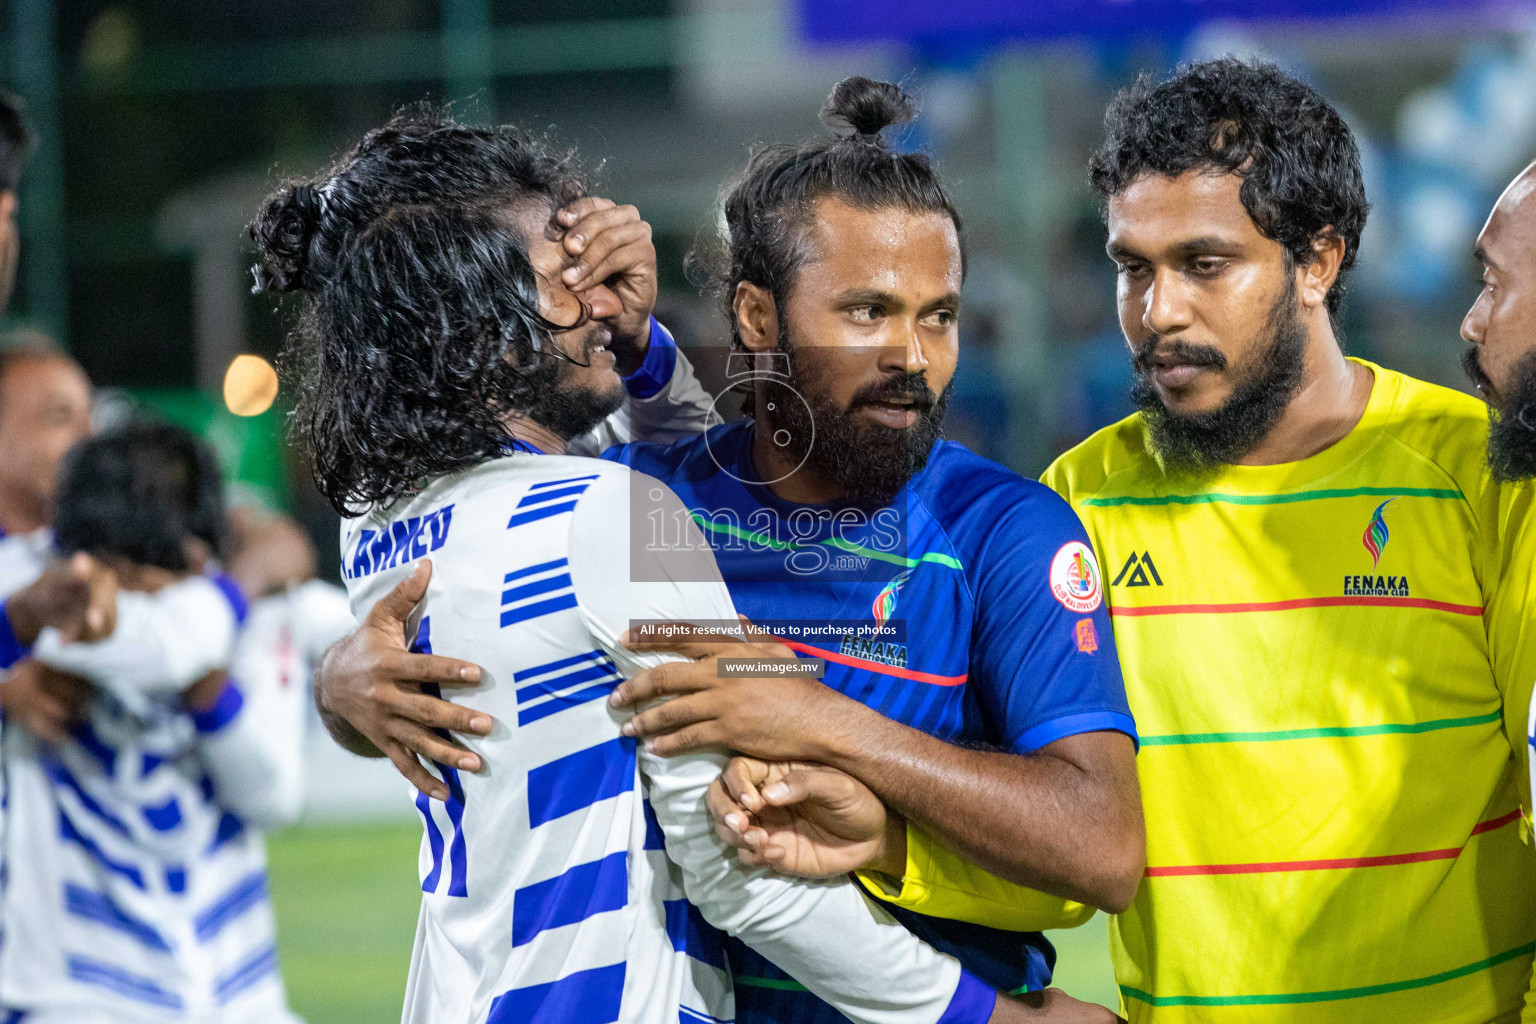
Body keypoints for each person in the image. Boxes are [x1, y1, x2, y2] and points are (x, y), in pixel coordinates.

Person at [707, 59, 1536, 1022]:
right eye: (1132, 267)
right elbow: (1077, 864)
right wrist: (896, 846)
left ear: (1318, 261)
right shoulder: (1075, 506)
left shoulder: (1481, 476)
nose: (1158, 313)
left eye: (1205, 264)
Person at [311, 80, 1141, 1023]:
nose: (914, 354)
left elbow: (1101, 850)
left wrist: (828, 722)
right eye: (868, 311)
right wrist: (338, 685)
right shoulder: (648, 502)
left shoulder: (1005, 530)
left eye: (940, 315)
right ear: (756, 316)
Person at [0, 422, 310, 1023]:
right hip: (75, 997)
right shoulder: (36, 590)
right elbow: (168, 643)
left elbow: (274, 796)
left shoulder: (241, 603)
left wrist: (212, 687)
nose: (79, 427)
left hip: (237, 991)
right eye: (55, 415)